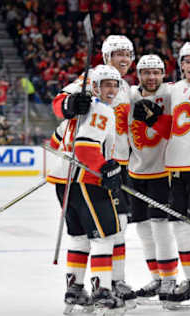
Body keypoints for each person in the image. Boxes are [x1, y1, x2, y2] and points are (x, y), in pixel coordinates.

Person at [51, 35, 137, 308]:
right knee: (107, 234)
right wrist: (104, 167)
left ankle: (75, 288)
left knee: (80, 235)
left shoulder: (124, 88)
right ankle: (103, 289)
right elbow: (63, 106)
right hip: (91, 175)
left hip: (74, 176)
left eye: (127, 54)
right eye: (117, 53)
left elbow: (57, 138)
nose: (112, 89)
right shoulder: (90, 90)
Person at [133, 42, 190, 310]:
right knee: (181, 228)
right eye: (186, 61)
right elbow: (175, 128)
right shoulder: (176, 89)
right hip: (177, 168)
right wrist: (153, 119)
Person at [118, 54, 178, 304]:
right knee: (143, 229)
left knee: (161, 227)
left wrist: (157, 118)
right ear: (138, 74)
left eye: (156, 72)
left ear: (164, 74)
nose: (151, 77)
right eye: (146, 72)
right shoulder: (130, 94)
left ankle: (169, 279)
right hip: (136, 172)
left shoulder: (172, 93)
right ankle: (156, 276)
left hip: (163, 173)